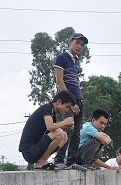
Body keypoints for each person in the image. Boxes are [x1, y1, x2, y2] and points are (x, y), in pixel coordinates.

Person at [53, 32, 88, 167]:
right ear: (69, 42)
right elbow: (59, 81)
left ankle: (71, 161)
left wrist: (79, 98)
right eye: (77, 43)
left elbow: (76, 80)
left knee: (77, 132)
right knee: (68, 129)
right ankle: (59, 160)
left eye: (82, 45)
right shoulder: (61, 58)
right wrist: (71, 102)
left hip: (79, 98)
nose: (79, 46)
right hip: (68, 101)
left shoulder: (77, 61)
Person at [18, 90, 76, 170]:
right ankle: (41, 163)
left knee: (64, 136)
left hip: (36, 149)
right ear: (59, 102)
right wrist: (64, 122)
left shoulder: (52, 113)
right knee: (59, 132)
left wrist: (66, 126)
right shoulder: (47, 107)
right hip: (29, 151)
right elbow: (50, 127)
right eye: (67, 106)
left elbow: (50, 132)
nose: (67, 110)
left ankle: (42, 161)